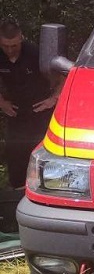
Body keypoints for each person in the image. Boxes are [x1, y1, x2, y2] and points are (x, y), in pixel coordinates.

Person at [0, 18, 59, 189]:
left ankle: (46, 194)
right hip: (15, 112)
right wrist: (2, 102)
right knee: (16, 157)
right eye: (5, 46)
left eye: (14, 46)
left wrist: (53, 99)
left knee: (43, 158)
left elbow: (65, 75)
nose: (10, 50)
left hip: (40, 112)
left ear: (21, 38)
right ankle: (16, 198)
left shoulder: (36, 53)